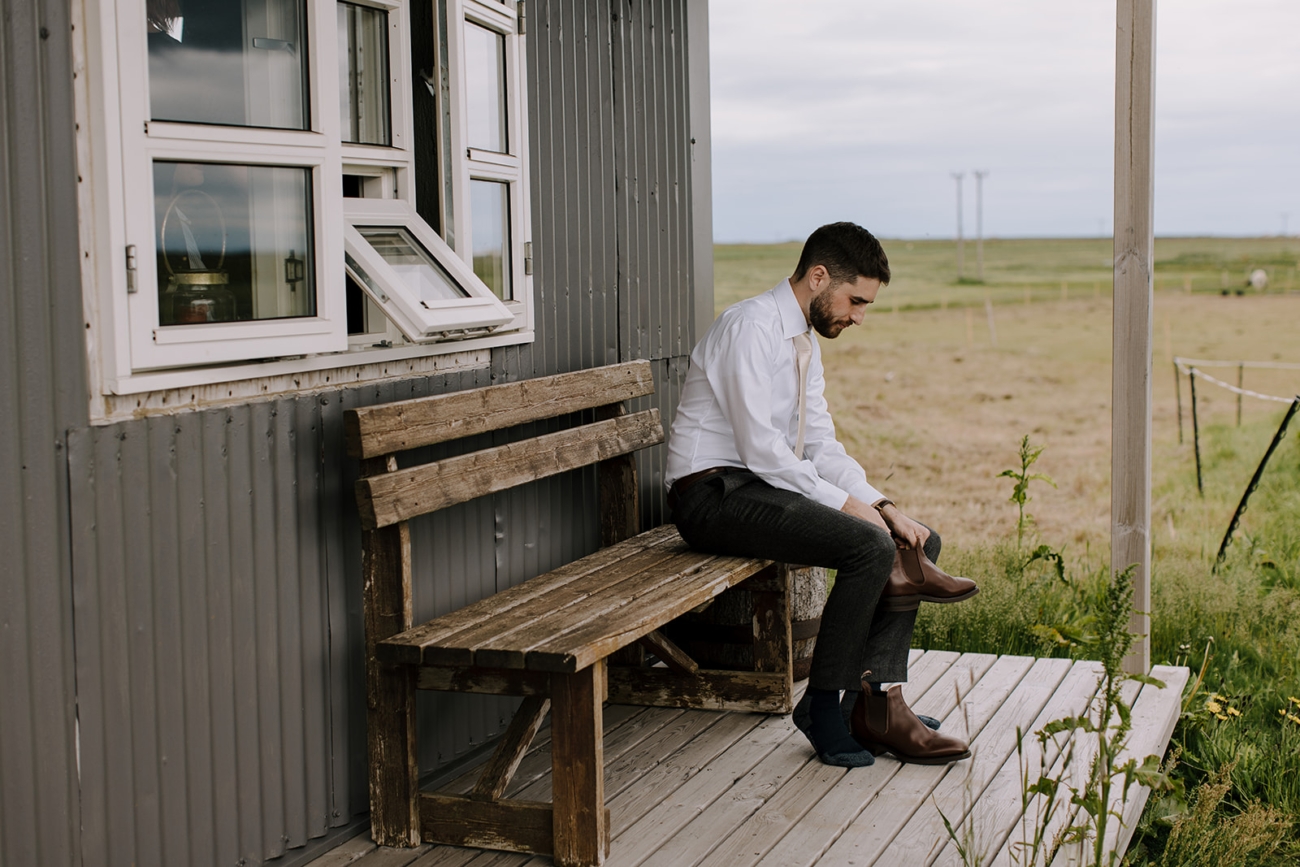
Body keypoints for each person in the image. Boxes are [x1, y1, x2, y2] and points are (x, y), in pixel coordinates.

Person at [665, 222, 977, 768]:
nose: (859, 316)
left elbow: (820, 445)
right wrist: (852, 511)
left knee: (916, 543)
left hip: (757, 488)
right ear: (818, 277)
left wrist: (882, 505)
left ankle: (875, 704)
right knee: (870, 548)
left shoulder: (803, 342)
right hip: (710, 494)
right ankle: (823, 707)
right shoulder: (750, 328)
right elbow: (762, 448)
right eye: (855, 300)